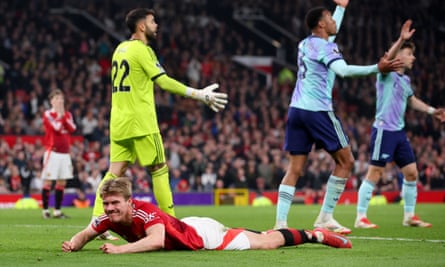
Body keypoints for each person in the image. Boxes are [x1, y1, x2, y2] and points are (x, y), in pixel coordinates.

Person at [91, 8, 228, 239]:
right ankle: (171, 223)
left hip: (118, 120)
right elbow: (163, 82)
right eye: (153, 22)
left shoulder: (119, 49)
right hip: (141, 121)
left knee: (115, 172)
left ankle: (98, 222)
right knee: (159, 168)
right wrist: (199, 94)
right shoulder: (143, 50)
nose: (157, 26)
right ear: (141, 26)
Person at [274, 0, 402, 234]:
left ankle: (280, 224)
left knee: (294, 169)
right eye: (331, 19)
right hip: (318, 111)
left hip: (296, 110)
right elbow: (343, 71)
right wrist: (377, 68)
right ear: (322, 24)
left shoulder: (305, 44)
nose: (335, 22)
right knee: (346, 162)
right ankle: (325, 217)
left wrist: (341, 8)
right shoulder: (325, 47)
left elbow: (330, 34)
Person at [62, 178, 351, 254]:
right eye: (106, 204)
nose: (109, 209)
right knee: (259, 237)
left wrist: (120, 249)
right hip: (190, 226)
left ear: (129, 201)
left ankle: (316, 235)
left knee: (267, 243)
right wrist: (74, 243)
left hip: (203, 237)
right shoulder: (107, 219)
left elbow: (157, 240)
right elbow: (86, 233)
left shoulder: (144, 210)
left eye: (114, 203)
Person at [354, 20, 445, 229]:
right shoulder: (385, 74)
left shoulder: (405, 81)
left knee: (412, 173)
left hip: (398, 132)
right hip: (383, 129)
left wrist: (433, 111)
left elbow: (412, 101)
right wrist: (401, 40)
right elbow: (387, 58)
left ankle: (409, 216)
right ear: (400, 56)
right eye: (409, 53)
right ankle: (360, 217)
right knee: (375, 173)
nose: (413, 57)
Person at [41, 89, 76, 218]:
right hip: (53, 152)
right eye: (56, 99)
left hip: (65, 153)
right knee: (49, 181)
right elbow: (56, 128)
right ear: (51, 101)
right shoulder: (48, 114)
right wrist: (61, 117)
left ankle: (57, 211)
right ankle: (45, 210)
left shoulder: (68, 114)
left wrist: (64, 118)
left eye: (61, 98)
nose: (60, 101)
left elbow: (72, 128)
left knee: (62, 182)